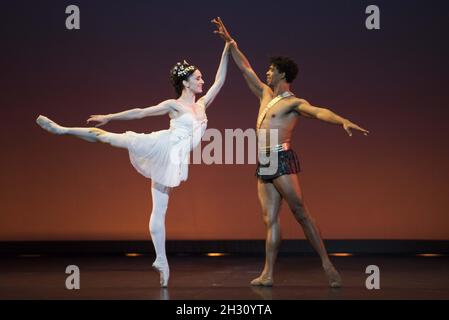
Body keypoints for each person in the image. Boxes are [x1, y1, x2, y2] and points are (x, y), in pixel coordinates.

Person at [36, 41, 232, 288]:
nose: (202, 81)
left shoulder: (201, 104)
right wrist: (110, 117)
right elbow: (141, 112)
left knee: (159, 209)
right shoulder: (174, 105)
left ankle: (161, 260)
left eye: (202, 77)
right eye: (198, 77)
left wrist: (228, 48)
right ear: (186, 82)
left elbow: (220, 81)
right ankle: (61, 130)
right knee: (108, 138)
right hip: (162, 146)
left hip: (174, 158)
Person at [212, 17, 369, 288]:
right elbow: (245, 68)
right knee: (269, 220)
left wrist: (342, 120)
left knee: (301, 213)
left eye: (272, 70)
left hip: (280, 159)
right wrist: (231, 42)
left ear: (283, 74)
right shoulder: (264, 94)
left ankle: (327, 264)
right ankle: (268, 274)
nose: (267, 73)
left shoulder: (293, 102)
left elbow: (319, 112)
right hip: (263, 162)